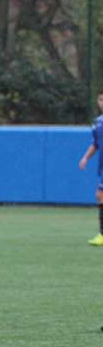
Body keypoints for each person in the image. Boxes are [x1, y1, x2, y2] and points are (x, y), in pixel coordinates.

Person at [77, 90, 103, 245]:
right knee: (100, 196)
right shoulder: (98, 123)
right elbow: (96, 144)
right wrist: (85, 158)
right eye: (101, 99)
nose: (102, 103)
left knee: (100, 195)